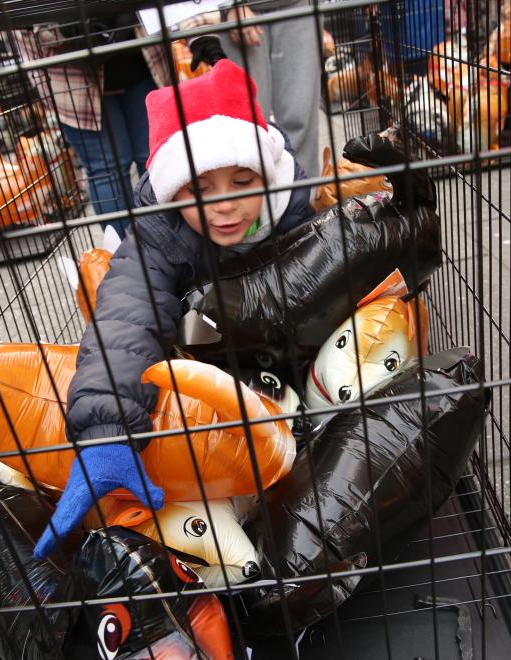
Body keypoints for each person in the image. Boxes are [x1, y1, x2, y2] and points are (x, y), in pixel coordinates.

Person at [33, 60, 313, 558]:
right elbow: (126, 315)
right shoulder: (161, 232)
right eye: (200, 189)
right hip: (208, 356)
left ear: (267, 173)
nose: (225, 205)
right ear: (170, 189)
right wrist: (107, 432)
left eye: (242, 180)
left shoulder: (293, 207)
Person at [21, 16, 172, 237]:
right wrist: (71, 23)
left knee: (153, 157)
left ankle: (162, 245)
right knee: (108, 167)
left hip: (137, 58)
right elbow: (31, 26)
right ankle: (129, 255)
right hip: (73, 73)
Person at [211, 0, 322, 183]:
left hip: (299, 5)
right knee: (246, 125)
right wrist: (229, 5)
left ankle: (306, 201)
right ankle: (256, 203)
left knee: (301, 115)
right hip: (238, 10)